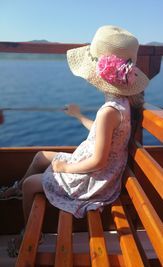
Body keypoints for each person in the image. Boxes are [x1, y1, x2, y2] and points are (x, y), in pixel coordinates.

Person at [6, 25, 149, 256]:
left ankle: (29, 234)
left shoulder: (108, 112)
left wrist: (66, 167)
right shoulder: (121, 105)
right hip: (103, 172)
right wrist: (80, 116)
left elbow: (98, 162)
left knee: (31, 184)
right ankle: (16, 191)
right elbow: (104, 135)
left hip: (94, 180)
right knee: (41, 156)